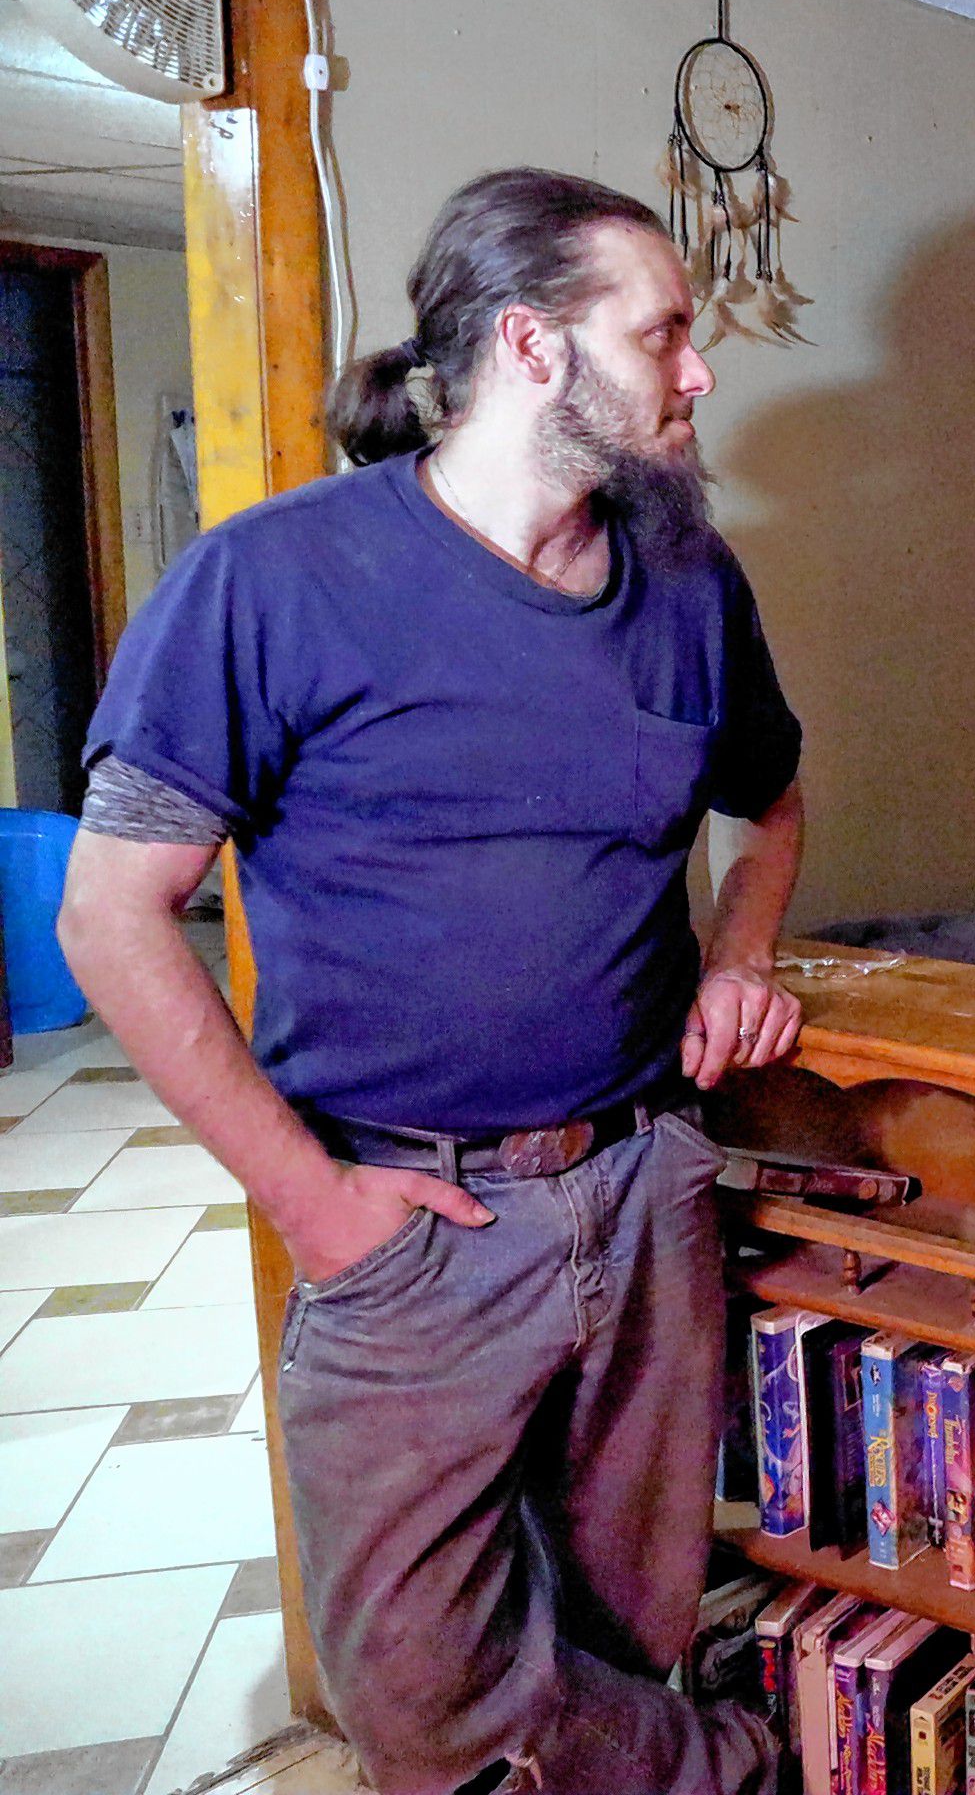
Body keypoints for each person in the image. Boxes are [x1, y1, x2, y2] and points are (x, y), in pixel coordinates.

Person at [58, 169, 807, 1795]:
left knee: (621, 1640)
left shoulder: (690, 585)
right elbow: (111, 916)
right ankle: (733, 1769)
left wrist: (742, 948)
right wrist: (312, 1205)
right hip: (413, 1241)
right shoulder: (275, 581)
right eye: (667, 331)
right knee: (422, 1694)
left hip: (642, 1194)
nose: (698, 372)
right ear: (534, 348)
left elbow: (774, 798)